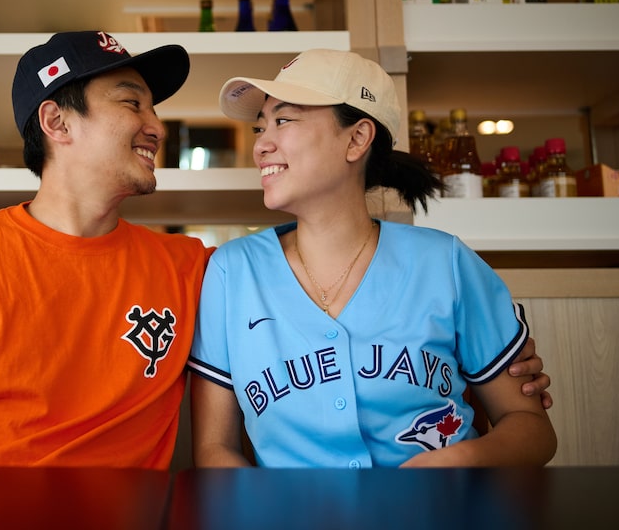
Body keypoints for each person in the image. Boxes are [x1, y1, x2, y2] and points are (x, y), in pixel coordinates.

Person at [0, 32, 552, 469]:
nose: (157, 124)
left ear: (357, 139)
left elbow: (520, 420)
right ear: (56, 121)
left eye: (154, 106)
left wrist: (488, 377)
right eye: (133, 102)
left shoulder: (193, 270)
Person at [188, 49, 557, 468]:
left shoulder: (446, 263)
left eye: (284, 120)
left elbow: (530, 427)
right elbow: (214, 451)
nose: (261, 146)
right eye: (260, 127)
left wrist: (455, 463)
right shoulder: (232, 272)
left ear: (357, 138)